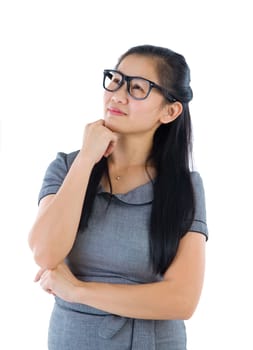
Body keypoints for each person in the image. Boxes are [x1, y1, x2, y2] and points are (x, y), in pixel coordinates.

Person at [28, 44, 208, 350]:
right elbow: (45, 253)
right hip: (72, 339)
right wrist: (86, 159)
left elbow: (182, 300)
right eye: (115, 79)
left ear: (170, 111)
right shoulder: (67, 168)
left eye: (138, 87)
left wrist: (78, 290)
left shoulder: (183, 187)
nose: (118, 95)